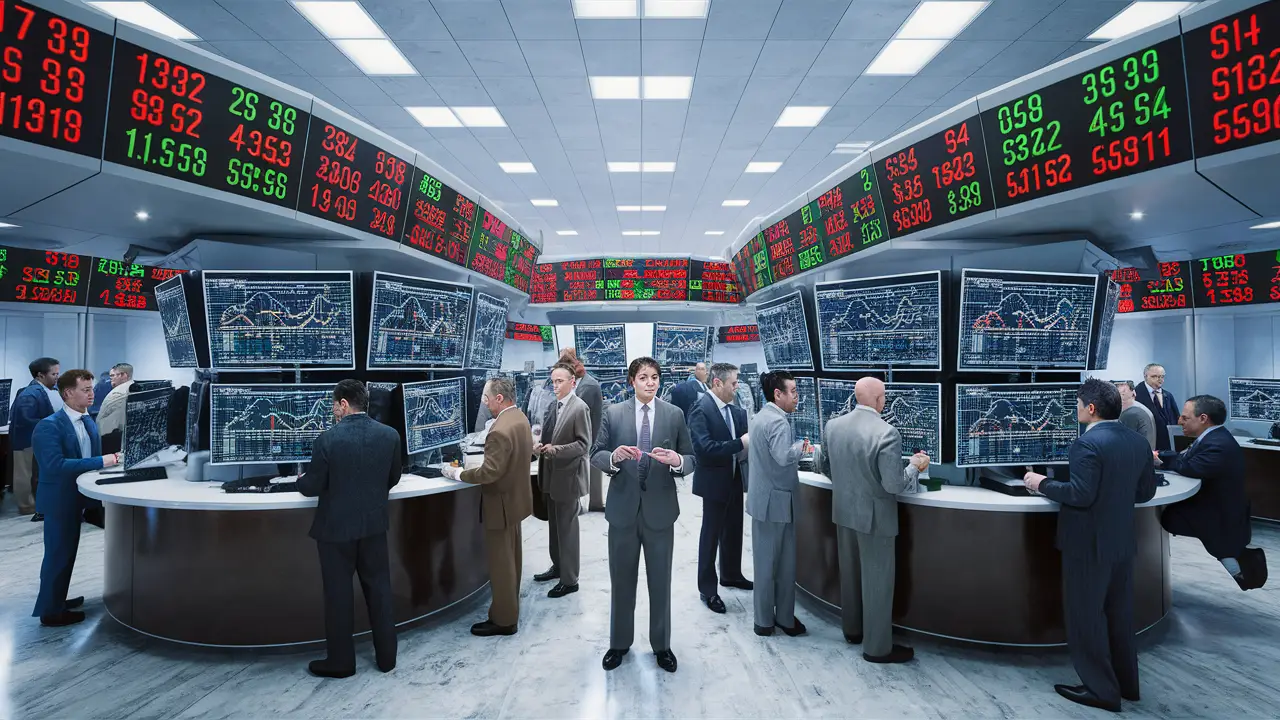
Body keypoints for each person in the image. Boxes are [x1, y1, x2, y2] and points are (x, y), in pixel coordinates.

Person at [1024, 379, 1159, 712]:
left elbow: (1080, 495)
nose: (1077, 409)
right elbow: (1145, 493)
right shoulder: (1137, 442)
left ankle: (1101, 691)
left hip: (1087, 546)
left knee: (1087, 619)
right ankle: (1126, 685)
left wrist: (1040, 482)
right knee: (1119, 617)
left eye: (1079, 404)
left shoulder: (1087, 444)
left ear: (1091, 408)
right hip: (1121, 543)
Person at [591, 357, 695, 674]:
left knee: (660, 582)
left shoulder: (674, 415)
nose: (649, 382)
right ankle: (619, 643)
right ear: (631, 381)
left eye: (654, 377)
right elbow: (595, 453)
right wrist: (614, 457)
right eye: (643, 377)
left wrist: (677, 460)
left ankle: (661, 646)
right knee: (621, 582)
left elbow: (691, 459)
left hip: (660, 513)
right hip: (623, 511)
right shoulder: (614, 413)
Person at [816, 377, 928, 663]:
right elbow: (893, 485)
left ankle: (852, 631)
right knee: (877, 583)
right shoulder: (886, 433)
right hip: (875, 520)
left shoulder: (834, 426)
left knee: (850, 576)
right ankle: (877, 649)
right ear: (879, 400)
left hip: (843, 512)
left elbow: (823, 466)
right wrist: (914, 466)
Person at [296, 379, 402, 679]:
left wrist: (298, 480)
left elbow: (312, 486)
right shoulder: (390, 435)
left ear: (344, 403)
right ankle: (387, 658)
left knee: (339, 596)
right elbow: (392, 478)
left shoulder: (327, 440)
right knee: (380, 590)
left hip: (335, 533)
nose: (333, 411)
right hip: (374, 526)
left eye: (334, 405)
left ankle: (341, 662)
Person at [442, 377, 533, 636]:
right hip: (515, 500)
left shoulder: (500, 429)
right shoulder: (520, 419)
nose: (485, 402)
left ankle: (504, 620)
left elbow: (489, 473)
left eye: (486, 397)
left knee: (501, 564)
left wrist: (457, 474)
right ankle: (510, 607)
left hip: (500, 505)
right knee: (513, 558)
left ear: (499, 398)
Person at [31, 369, 120, 626]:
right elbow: (55, 466)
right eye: (86, 390)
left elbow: (88, 461)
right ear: (68, 393)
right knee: (58, 556)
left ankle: (57, 599)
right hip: (60, 500)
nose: (93, 394)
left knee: (66, 554)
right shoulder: (48, 427)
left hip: (79, 498)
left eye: (92, 389)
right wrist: (102, 461)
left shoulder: (87, 420)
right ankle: (50, 612)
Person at [1157, 394, 1267, 591]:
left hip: (1220, 517)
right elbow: (1185, 459)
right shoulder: (1213, 437)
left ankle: (1243, 572)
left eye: (1185, 417)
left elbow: (1190, 466)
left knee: (1170, 518)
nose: (1179, 421)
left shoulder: (1218, 444)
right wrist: (1163, 457)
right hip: (1220, 512)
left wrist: (1162, 461)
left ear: (1203, 418)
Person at [687, 362, 752, 615]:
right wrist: (738, 444)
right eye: (733, 383)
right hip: (713, 482)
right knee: (711, 535)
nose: (737, 387)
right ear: (717, 383)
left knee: (734, 529)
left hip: (735, 478)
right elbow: (704, 449)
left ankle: (731, 574)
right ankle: (708, 589)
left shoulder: (735, 411)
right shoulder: (700, 410)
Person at [746, 370, 807, 638]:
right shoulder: (779, 423)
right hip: (778, 503)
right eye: (793, 392)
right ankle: (780, 619)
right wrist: (802, 448)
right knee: (783, 566)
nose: (797, 397)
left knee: (764, 564)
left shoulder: (760, 417)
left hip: (762, 501)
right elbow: (783, 457)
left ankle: (766, 620)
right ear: (778, 394)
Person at [532, 363, 592, 598]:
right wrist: (539, 446)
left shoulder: (579, 408)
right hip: (551, 475)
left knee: (567, 530)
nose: (555, 385)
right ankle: (558, 567)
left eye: (560, 381)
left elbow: (583, 445)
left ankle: (570, 580)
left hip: (568, 477)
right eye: (553, 381)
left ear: (572, 383)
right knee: (555, 527)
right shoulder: (553, 406)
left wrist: (556, 450)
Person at [10, 357, 60, 520]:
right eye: (54, 374)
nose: (57, 377)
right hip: (26, 441)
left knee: (31, 473)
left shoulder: (39, 391)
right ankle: (26, 507)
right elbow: (27, 420)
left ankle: (32, 505)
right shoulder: (30, 394)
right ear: (40, 375)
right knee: (24, 474)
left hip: (32, 440)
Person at [563, 348, 605, 512]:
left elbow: (576, 412)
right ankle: (591, 503)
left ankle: (582, 504)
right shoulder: (579, 383)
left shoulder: (588, 385)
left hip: (587, 435)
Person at [1135, 364, 1178, 452]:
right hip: (1148, 444)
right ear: (1145, 376)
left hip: (1169, 446)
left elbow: (1176, 418)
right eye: (1154, 376)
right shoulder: (1136, 395)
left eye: (1162, 376)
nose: (1159, 380)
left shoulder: (1168, 395)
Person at [1114, 380, 1157, 451]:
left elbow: (1123, 444)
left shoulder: (1131, 413)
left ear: (1133, 393)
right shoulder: (1140, 408)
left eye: (1123, 393)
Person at [95, 363, 135, 435]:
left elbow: (113, 422)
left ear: (124, 375)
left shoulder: (117, 393)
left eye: (113, 375)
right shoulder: (134, 388)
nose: (110, 378)